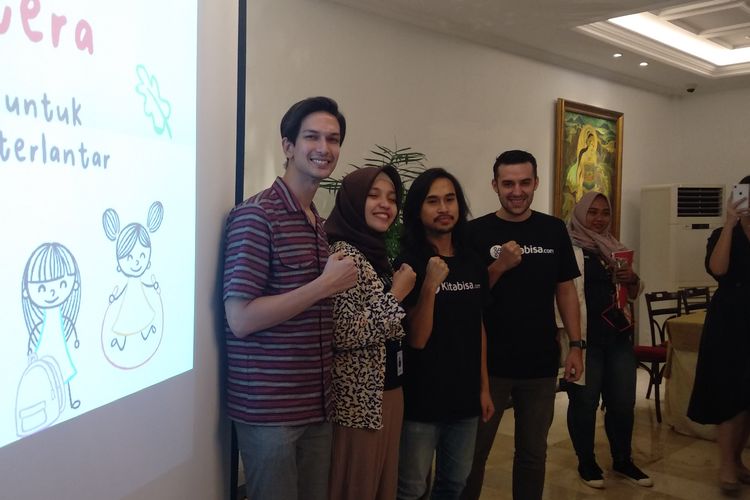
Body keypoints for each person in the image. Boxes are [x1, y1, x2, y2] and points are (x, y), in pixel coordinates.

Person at [222, 96, 358, 500]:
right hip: (270, 411)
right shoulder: (257, 215)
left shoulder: (315, 221)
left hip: (316, 403)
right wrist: (323, 286)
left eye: (333, 139)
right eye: (312, 137)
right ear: (288, 146)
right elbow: (240, 318)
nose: (324, 148)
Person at [462, 149, 583, 500]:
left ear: (536, 183)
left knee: (533, 455)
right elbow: (467, 296)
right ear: (495, 185)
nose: (517, 191)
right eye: (508, 184)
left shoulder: (553, 229)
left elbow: (566, 290)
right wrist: (499, 266)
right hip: (488, 365)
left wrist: (577, 345)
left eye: (524, 183)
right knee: (473, 455)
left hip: (540, 363)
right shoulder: (474, 232)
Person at [395, 168, 494, 500]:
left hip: (465, 400)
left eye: (449, 199)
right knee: (411, 489)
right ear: (417, 210)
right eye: (432, 201)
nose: (443, 208)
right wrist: (429, 286)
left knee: (454, 484)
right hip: (421, 400)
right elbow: (417, 339)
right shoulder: (408, 262)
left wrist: (484, 388)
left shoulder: (472, 261)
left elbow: (477, 326)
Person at [324, 165, 416, 500]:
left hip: (384, 392)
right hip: (360, 401)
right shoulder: (345, 255)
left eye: (392, 198)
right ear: (353, 201)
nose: (385, 205)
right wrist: (397, 295)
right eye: (373, 195)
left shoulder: (373, 252)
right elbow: (345, 333)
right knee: (358, 486)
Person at [563, 191, 652, 489]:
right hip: (586, 339)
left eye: (605, 213)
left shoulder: (615, 247)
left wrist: (632, 279)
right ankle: (586, 462)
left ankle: (623, 460)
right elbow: (563, 294)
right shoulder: (569, 248)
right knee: (584, 402)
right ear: (580, 214)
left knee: (623, 402)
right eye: (592, 212)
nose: (599, 219)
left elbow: (634, 292)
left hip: (619, 337)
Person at [688, 175, 750, 497]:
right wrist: (729, 223)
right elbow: (719, 269)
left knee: (748, 397)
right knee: (728, 393)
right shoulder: (723, 234)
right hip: (729, 322)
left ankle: (737, 460)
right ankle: (726, 464)